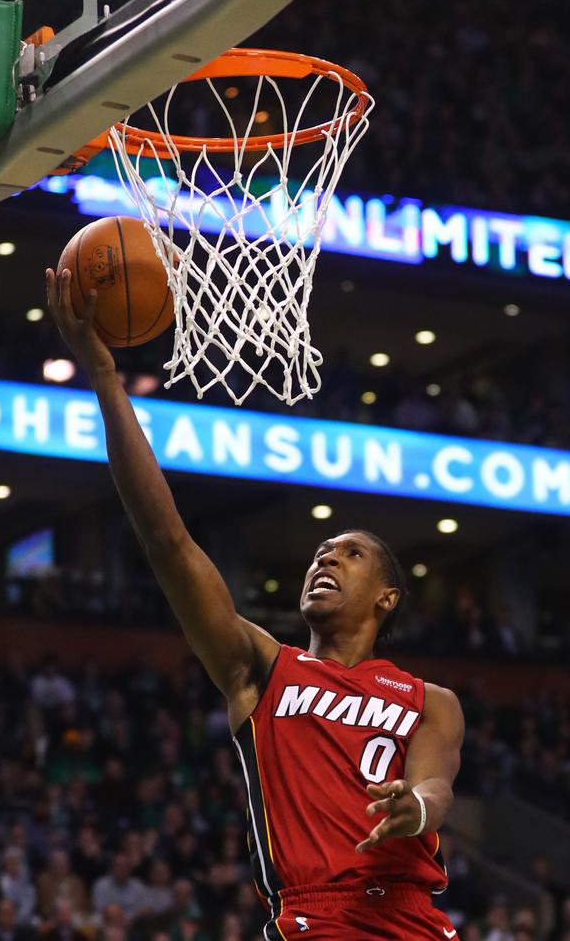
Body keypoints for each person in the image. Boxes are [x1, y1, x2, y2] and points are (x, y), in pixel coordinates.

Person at [47, 269, 465, 941]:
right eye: (321, 550)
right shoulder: (261, 668)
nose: (326, 558)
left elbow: (436, 785)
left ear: (388, 596)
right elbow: (167, 540)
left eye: (350, 553)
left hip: (416, 923)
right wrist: (103, 377)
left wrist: (413, 807)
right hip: (315, 919)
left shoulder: (430, 699)